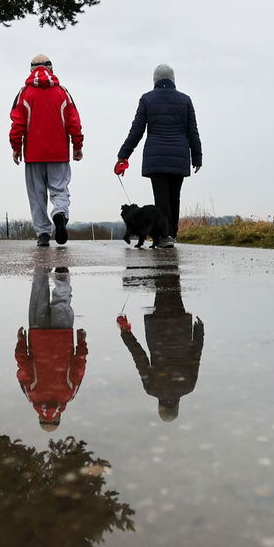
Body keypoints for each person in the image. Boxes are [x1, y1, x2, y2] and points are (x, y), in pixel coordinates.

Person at [116, 63, 201, 249]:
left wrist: (123, 155)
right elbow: (193, 131)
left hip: (156, 157)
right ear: (173, 80)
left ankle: (164, 236)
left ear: (155, 80)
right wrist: (197, 156)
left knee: (161, 198)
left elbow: (136, 131)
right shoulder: (185, 100)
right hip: (179, 155)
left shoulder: (147, 99)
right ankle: (171, 234)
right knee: (174, 197)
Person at [9, 54, 83, 246]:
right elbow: (73, 122)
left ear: (31, 70)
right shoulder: (62, 92)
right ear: (51, 69)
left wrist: (16, 148)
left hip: (33, 154)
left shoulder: (24, 93)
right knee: (60, 190)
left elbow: (18, 125)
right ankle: (59, 213)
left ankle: (43, 233)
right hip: (59, 153)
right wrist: (77, 146)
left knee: (36, 195)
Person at [117, 266, 204, 421]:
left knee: (174, 289)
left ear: (177, 407)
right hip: (157, 331)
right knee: (162, 288)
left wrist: (199, 332)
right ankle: (162, 258)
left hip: (180, 329)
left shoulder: (188, 386)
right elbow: (140, 358)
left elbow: (195, 355)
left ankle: (168, 258)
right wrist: (126, 333)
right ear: (160, 407)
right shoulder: (152, 388)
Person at [16, 265, 87, 431]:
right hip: (37, 334)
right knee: (38, 295)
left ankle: (61, 275)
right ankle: (41, 263)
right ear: (40, 417)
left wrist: (81, 341)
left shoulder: (68, 395)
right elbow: (23, 365)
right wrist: (21, 341)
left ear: (59, 417)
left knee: (62, 301)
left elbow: (79, 366)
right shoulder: (32, 395)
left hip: (62, 336)